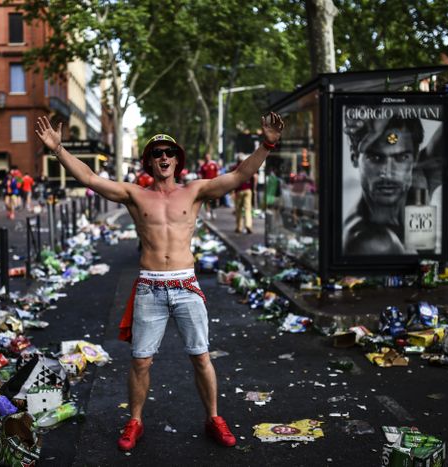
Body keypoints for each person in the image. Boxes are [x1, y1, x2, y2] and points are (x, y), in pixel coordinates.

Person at [35, 111, 284, 452]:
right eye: (157, 153)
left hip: (185, 286)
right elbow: (91, 179)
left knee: (201, 356)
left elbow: (240, 174)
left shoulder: (195, 191)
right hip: (150, 287)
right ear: (149, 162)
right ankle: (135, 421)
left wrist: (267, 144)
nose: (163, 157)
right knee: (140, 360)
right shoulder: (136, 195)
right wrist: (58, 150)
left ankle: (214, 418)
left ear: (177, 160)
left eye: (169, 153)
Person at [342, 114, 426, 255]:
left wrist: (391, 107)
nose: (387, 173)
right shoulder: (371, 243)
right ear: (354, 157)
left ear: (415, 158)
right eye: (375, 157)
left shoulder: (420, 180)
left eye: (401, 158)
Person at [230, 154, 257, 234]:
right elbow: (255, 177)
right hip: (248, 190)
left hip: (239, 190)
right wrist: (254, 188)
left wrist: (232, 191)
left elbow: (231, 180)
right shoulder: (249, 167)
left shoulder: (235, 168)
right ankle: (248, 225)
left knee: (238, 210)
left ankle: (239, 227)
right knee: (248, 209)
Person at [198, 152, 220, 218]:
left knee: (214, 198)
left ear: (210, 157)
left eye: (208, 157)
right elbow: (200, 175)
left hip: (214, 184)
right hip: (206, 185)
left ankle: (213, 211)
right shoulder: (203, 166)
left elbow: (218, 174)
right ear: (205, 158)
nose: (207, 158)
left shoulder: (214, 164)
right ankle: (208, 212)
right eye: (206, 157)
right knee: (206, 199)